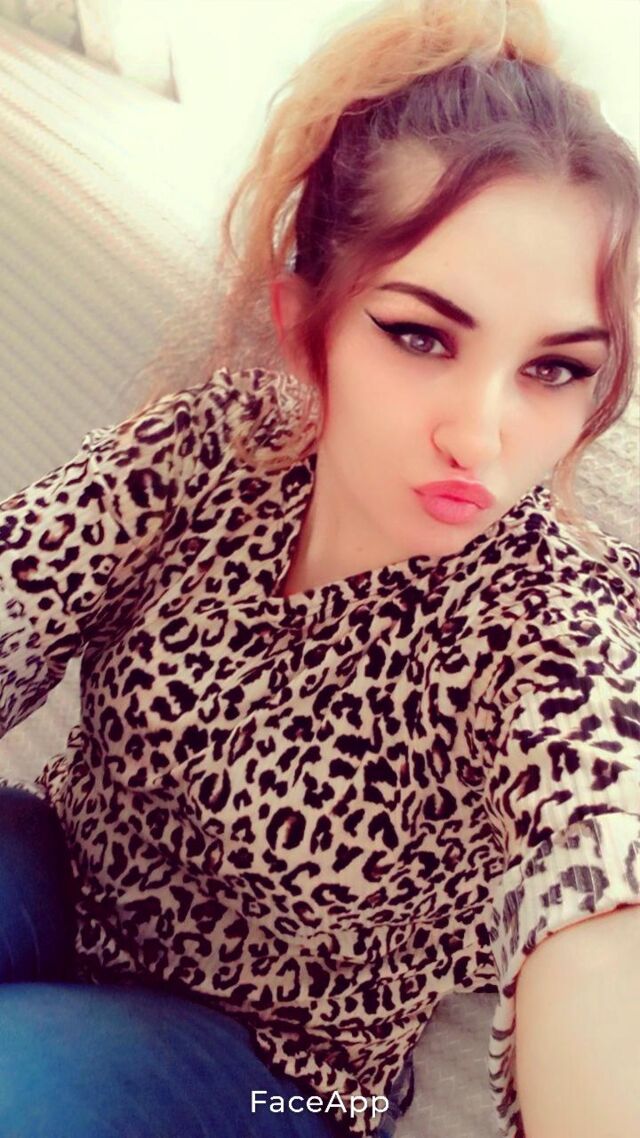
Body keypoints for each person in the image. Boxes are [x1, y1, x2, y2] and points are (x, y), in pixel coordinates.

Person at [0, 0, 639, 1136]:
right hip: (63, 879)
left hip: (288, 1067)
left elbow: (602, 864)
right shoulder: (209, 451)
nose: (481, 436)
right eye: (420, 335)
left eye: (553, 369)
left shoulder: (545, 623)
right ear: (307, 324)